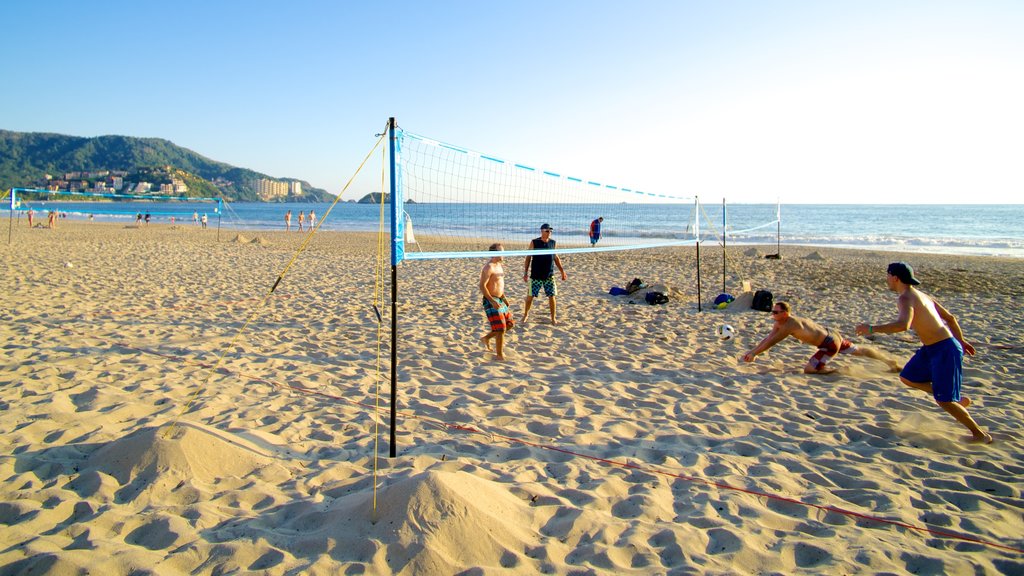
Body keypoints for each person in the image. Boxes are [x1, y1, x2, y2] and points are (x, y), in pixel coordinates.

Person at [856, 262, 991, 444]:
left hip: (944, 349)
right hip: (932, 348)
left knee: (943, 401)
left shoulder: (906, 298)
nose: (886, 279)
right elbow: (950, 319)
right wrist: (961, 341)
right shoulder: (922, 296)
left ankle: (979, 434)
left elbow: (903, 325)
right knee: (908, 376)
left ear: (895, 277)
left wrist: (871, 329)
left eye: (888, 275)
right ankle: (955, 399)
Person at [743, 301, 901, 374]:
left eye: (776, 312)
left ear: (785, 314)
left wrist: (754, 354)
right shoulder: (780, 323)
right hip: (832, 335)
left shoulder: (790, 325)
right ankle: (889, 362)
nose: (773, 314)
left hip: (829, 344)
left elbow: (772, 342)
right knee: (858, 350)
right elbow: (768, 338)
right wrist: (752, 352)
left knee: (809, 369)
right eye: (772, 312)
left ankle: (840, 371)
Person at [522, 223, 567, 324]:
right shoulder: (535, 242)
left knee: (552, 296)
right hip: (536, 275)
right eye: (547, 231)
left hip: (549, 275)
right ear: (542, 231)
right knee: (530, 297)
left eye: (551, 231)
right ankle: (525, 315)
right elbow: (528, 257)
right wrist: (525, 272)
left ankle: (553, 318)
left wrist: (562, 271)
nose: (549, 232)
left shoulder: (553, 243)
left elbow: (556, 257)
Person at [480, 243, 514, 360]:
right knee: (501, 329)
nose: (504, 254)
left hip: (499, 298)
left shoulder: (499, 265)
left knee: (509, 324)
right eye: (501, 251)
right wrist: (492, 300)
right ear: (495, 253)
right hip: (491, 299)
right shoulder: (488, 267)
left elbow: (499, 284)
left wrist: (504, 298)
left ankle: (486, 338)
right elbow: (482, 286)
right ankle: (500, 355)